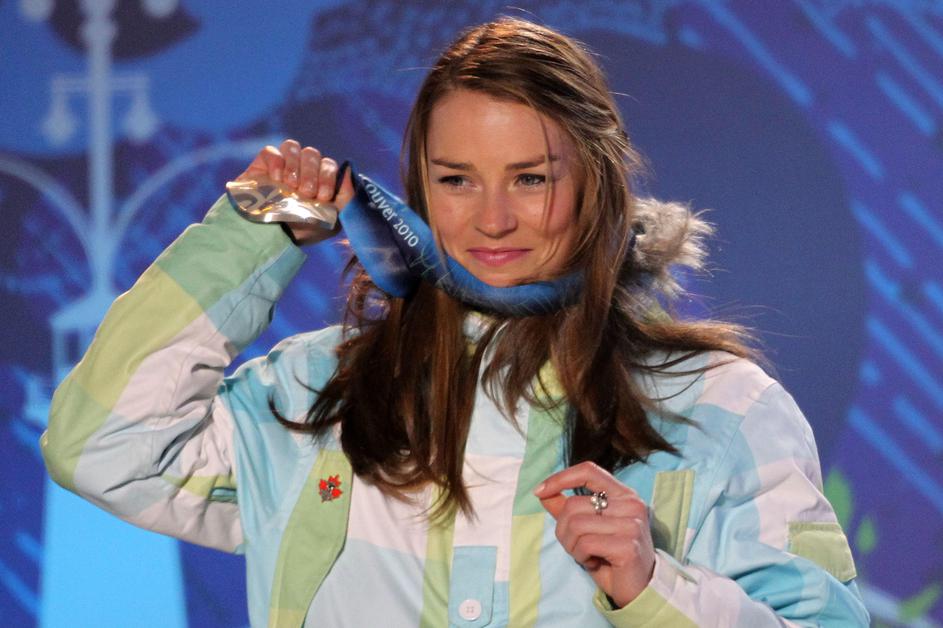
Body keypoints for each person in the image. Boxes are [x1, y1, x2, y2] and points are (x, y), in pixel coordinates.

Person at [42, 16, 869, 628]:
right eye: (456, 179)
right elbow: (101, 448)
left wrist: (654, 588)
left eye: (531, 178)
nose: (492, 219)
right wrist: (253, 229)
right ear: (417, 188)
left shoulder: (720, 409)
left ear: (598, 184)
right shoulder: (313, 394)